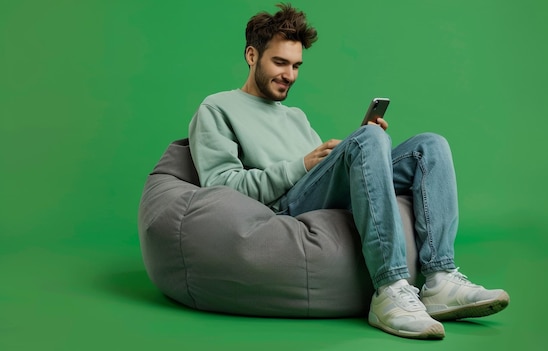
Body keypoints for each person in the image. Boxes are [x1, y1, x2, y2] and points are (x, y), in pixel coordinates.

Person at [188, 3, 509, 340]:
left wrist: (362, 147)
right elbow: (221, 187)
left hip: (313, 193)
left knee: (430, 146)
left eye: (296, 65)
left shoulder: (294, 115)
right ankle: (389, 288)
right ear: (252, 56)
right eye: (280, 63)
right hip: (283, 208)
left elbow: (321, 173)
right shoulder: (217, 108)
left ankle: (439, 278)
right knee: (367, 140)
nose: (290, 75)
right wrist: (304, 164)